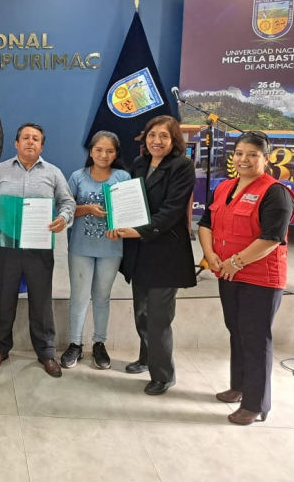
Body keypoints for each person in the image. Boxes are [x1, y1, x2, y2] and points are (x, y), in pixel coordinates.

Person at [198, 131, 294, 425]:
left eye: (253, 154)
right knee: (236, 330)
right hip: (226, 272)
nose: (244, 159)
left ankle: (256, 404)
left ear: (266, 159)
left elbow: (272, 238)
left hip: (260, 278)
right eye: (240, 153)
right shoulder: (224, 187)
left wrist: (235, 262)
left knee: (255, 337)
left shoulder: (275, 192)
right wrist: (210, 255)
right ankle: (239, 387)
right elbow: (205, 224)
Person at [107, 115, 196, 395]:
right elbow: (129, 201)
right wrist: (116, 221)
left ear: (174, 140)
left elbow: (172, 211)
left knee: (159, 317)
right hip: (140, 252)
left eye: (164, 136)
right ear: (145, 138)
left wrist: (138, 231)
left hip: (166, 252)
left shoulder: (182, 166)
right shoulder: (140, 164)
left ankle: (163, 374)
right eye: (152, 135)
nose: (157, 141)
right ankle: (147, 358)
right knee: (142, 313)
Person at [0, 123, 75, 377]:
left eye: (35, 139)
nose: (30, 142)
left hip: (39, 246)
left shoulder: (53, 173)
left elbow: (68, 202)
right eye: (25, 137)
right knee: (3, 297)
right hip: (7, 245)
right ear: (16, 143)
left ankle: (46, 353)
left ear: (41, 145)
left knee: (41, 301)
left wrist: (64, 218)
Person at [61, 131, 131, 370]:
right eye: (99, 150)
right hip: (80, 248)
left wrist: (120, 227)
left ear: (116, 154)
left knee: (102, 297)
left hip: (111, 248)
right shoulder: (77, 177)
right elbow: (66, 209)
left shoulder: (122, 177)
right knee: (79, 297)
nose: (104, 155)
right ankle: (75, 344)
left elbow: (129, 212)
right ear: (91, 151)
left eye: (110, 151)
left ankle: (99, 344)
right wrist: (88, 208)